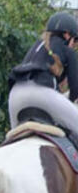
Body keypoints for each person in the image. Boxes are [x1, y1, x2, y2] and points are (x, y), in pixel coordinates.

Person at [8, 12, 78, 140]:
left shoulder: (35, 47)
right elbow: (75, 92)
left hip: (15, 97)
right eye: (76, 40)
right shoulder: (68, 51)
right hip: (43, 95)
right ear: (67, 34)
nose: (74, 45)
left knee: (13, 139)